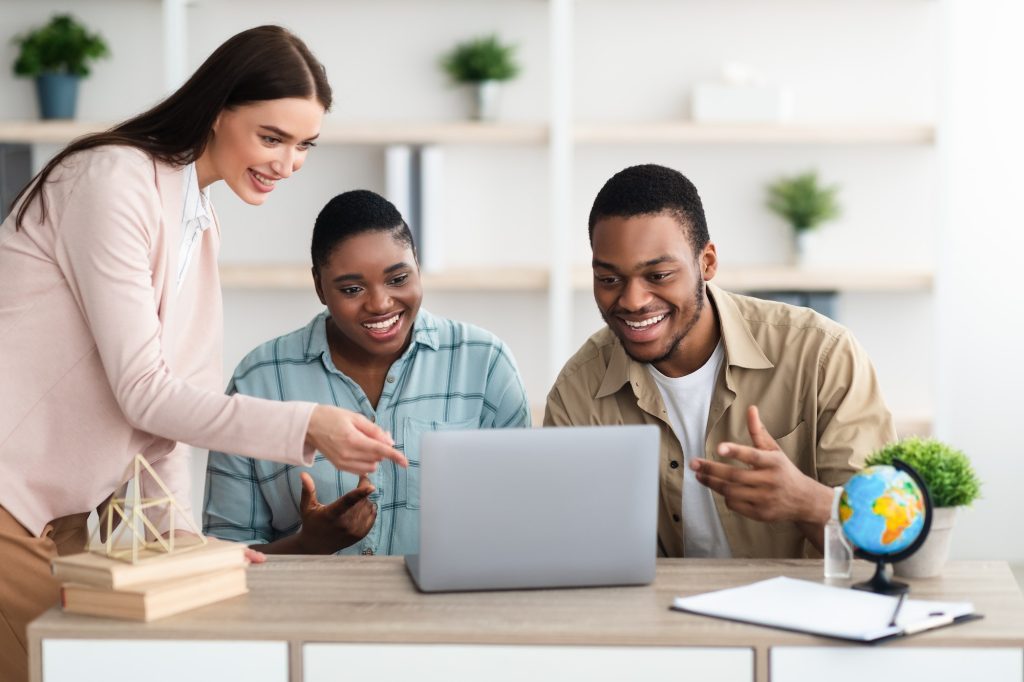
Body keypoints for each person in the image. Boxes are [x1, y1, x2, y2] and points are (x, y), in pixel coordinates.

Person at [0, 26, 407, 681]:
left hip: (66, 519)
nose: (287, 162)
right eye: (271, 138)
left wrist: (183, 543)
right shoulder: (112, 180)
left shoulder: (199, 219)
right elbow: (145, 391)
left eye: (303, 145)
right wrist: (306, 425)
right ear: (218, 111)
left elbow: (169, 414)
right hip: (10, 506)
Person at [544, 164, 896, 559]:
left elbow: (885, 542)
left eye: (658, 275)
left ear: (707, 262)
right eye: (609, 280)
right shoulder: (578, 392)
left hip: (802, 614)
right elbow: (571, 552)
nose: (632, 301)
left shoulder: (822, 356)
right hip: (654, 617)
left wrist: (805, 502)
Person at [203, 190, 531, 555]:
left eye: (397, 279)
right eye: (352, 289)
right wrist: (306, 545)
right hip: (302, 610)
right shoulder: (259, 380)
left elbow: (521, 527)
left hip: (448, 610)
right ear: (319, 287)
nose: (380, 303)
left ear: (417, 266)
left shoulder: (484, 364)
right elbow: (223, 552)